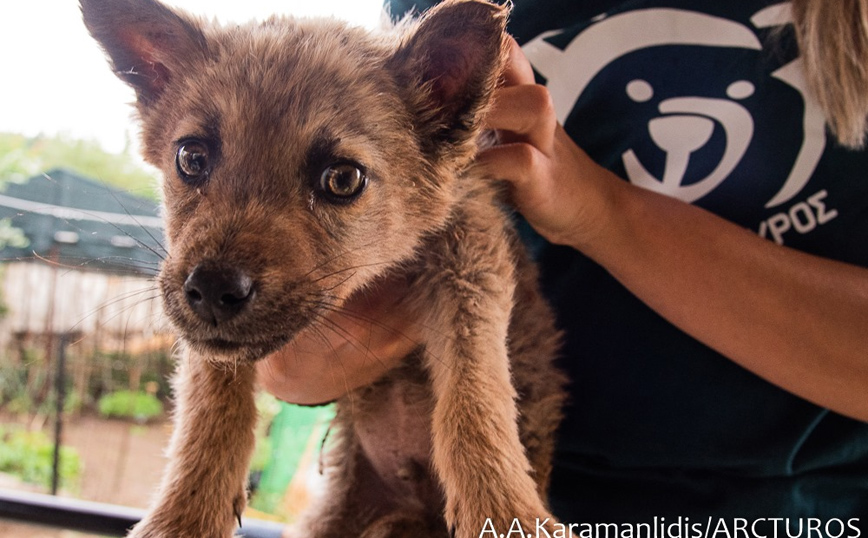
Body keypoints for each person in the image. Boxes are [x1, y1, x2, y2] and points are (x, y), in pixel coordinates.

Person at [259, 0, 868, 527]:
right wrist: (296, 352)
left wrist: (600, 209)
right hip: (497, 500)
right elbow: (297, 363)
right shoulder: (444, 18)